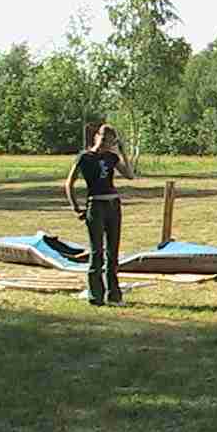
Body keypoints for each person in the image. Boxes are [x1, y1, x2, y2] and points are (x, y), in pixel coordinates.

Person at [65, 124, 133, 306]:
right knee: (97, 252)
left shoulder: (112, 157)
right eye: (103, 139)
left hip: (113, 204)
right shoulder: (84, 157)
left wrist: (123, 152)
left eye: (109, 141)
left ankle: (114, 295)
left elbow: (130, 175)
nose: (105, 144)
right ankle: (96, 296)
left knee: (113, 252)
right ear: (96, 137)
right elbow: (69, 183)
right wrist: (76, 207)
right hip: (95, 204)